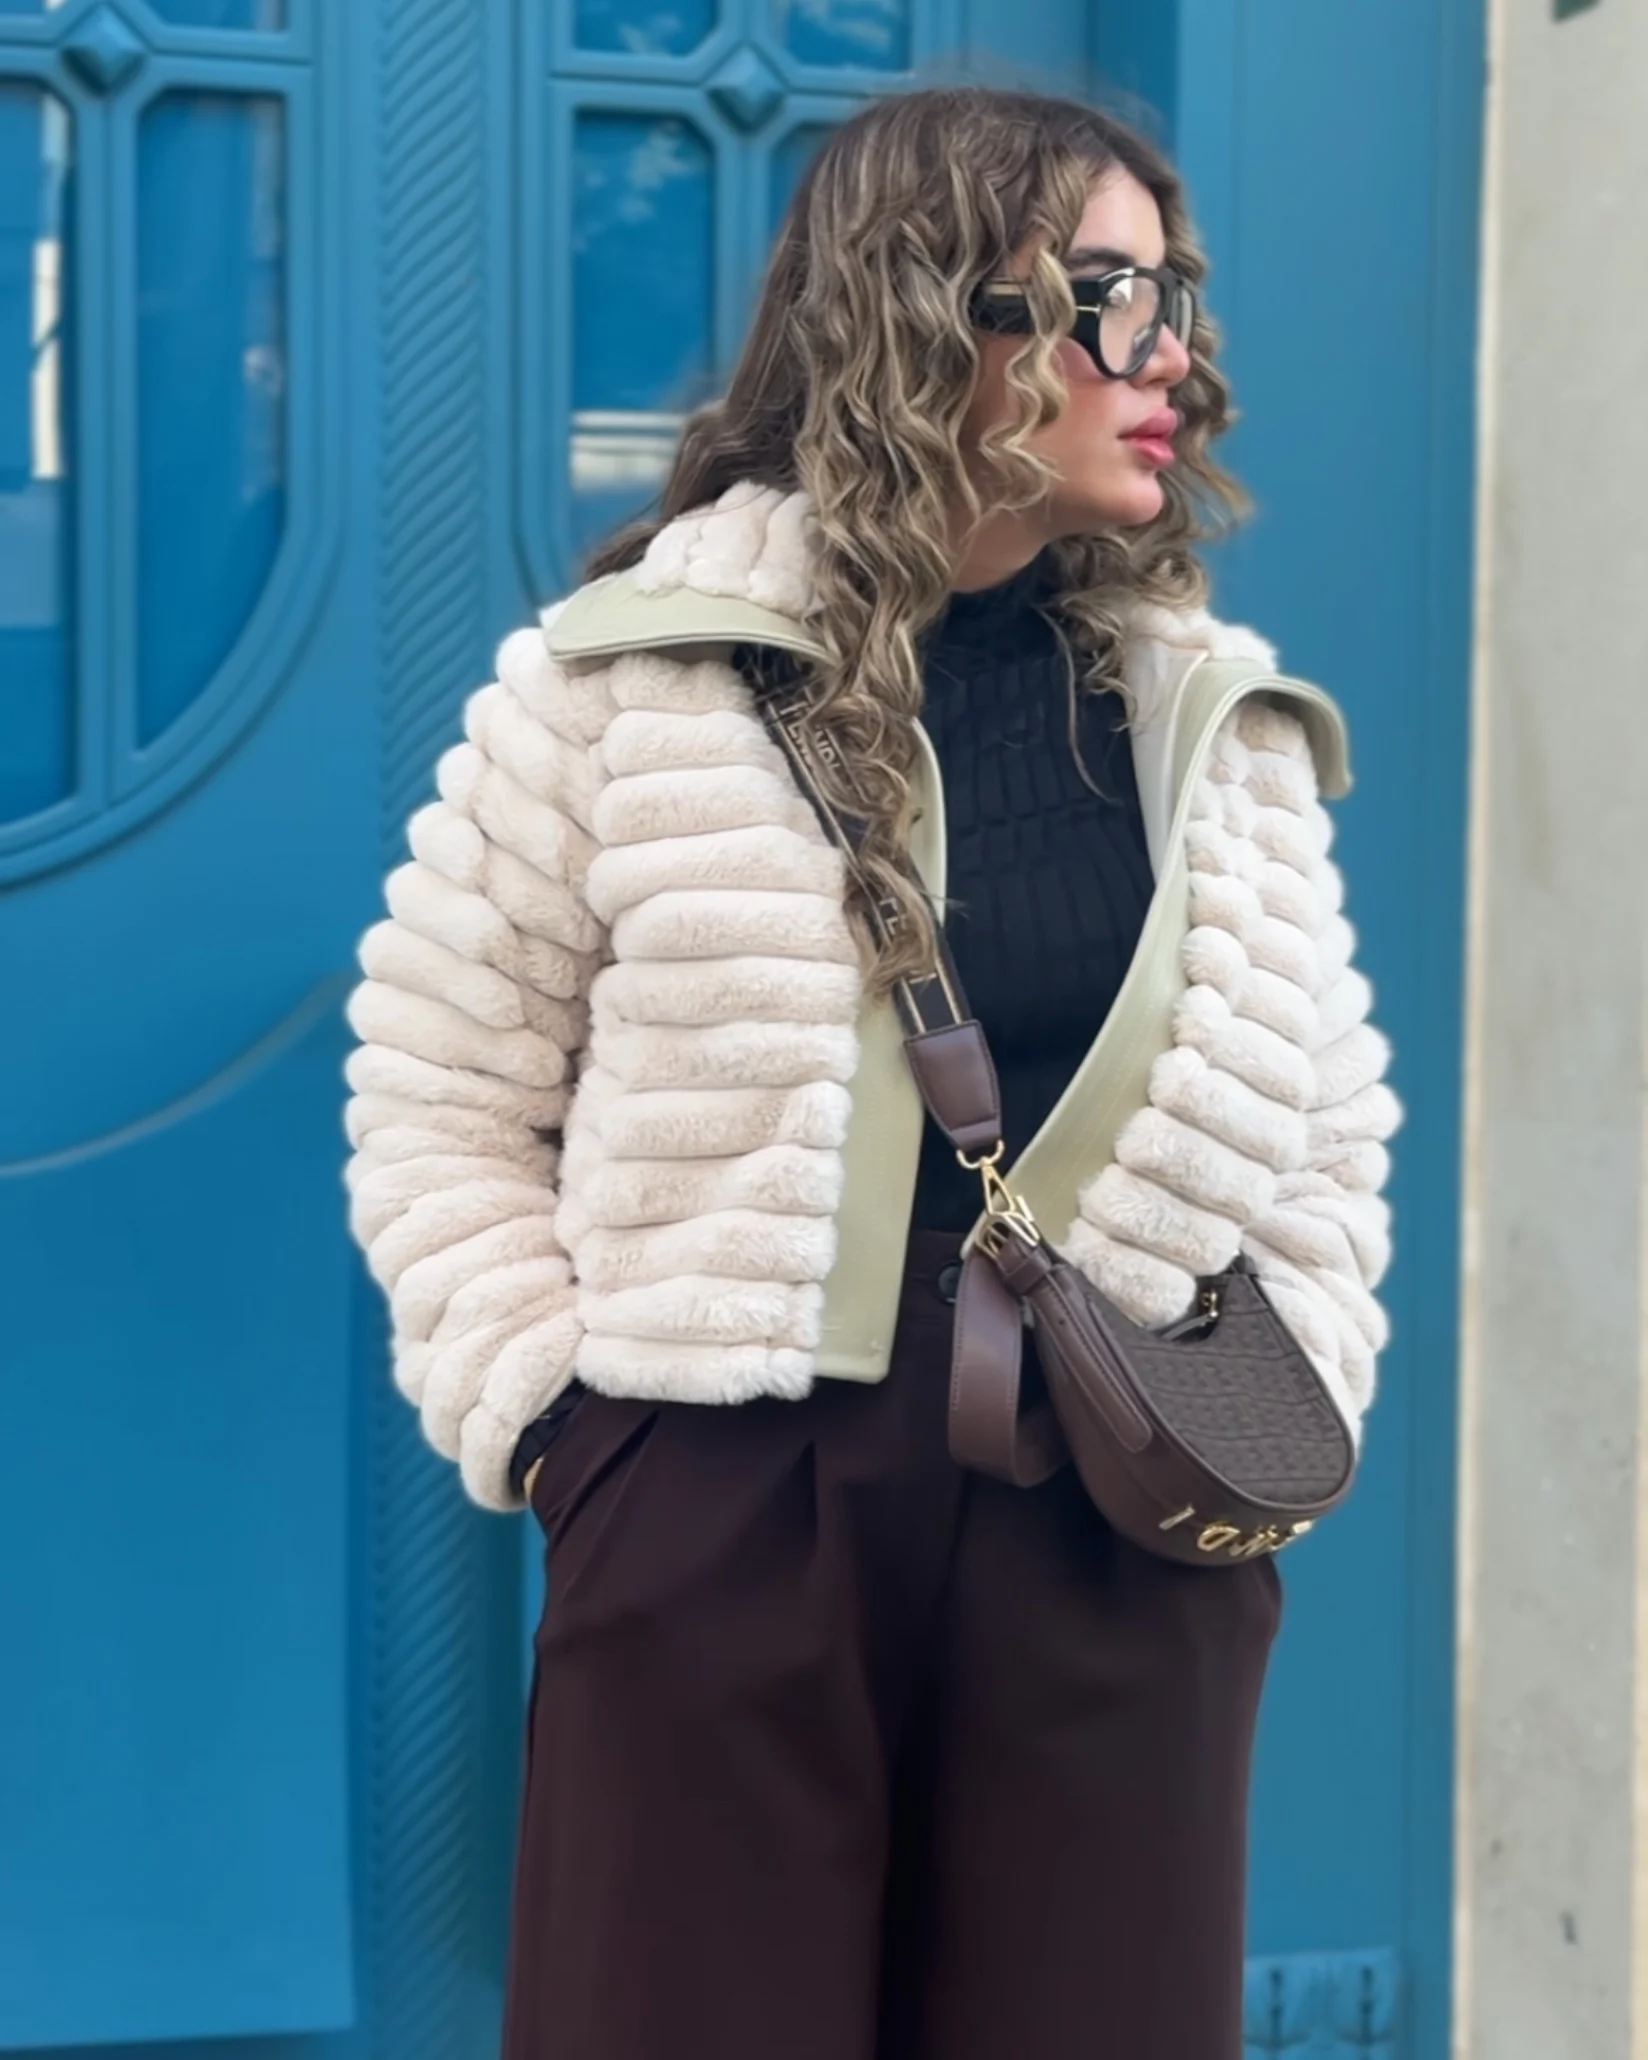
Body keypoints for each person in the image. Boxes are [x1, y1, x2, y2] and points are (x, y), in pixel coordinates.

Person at [343, 84, 1397, 2060]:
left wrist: (1298, 1378)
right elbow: (441, 1087)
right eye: (1104, 299)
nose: (1167, 356)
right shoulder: (626, 683)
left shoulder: (1204, 719)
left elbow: (1324, 1134)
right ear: (930, 315)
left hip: (1116, 1505)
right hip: (725, 1495)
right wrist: (573, 1436)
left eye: (1172, 297)